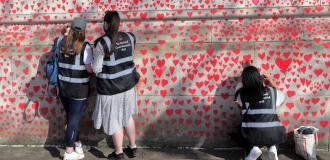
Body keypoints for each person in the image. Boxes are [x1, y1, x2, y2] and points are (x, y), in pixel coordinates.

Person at [92, 10, 140, 160]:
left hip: (110, 88)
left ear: (105, 24)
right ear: (118, 23)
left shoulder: (101, 43)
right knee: (127, 116)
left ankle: (118, 153)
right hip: (128, 85)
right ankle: (133, 147)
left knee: (115, 120)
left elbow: (96, 69)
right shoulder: (130, 37)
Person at [57, 18, 93, 160]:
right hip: (79, 90)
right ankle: (68, 152)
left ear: (70, 29)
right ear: (84, 31)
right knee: (73, 120)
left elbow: (61, 36)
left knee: (71, 118)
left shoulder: (61, 43)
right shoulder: (85, 47)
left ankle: (77, 144)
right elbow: (90, 70)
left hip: (64, 88)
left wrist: (65, 32)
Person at [235, 65, 286, 160]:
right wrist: (271, 81)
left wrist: (243, 76)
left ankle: (252, 149)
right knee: (274, 129)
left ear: (244, 80)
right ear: (259, 78)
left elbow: (238, 89)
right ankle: (273, 147)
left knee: (239, 129)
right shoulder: (272, 92)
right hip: (274, 133)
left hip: (252, 134)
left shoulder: (242, 94)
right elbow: (281, 96)